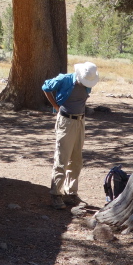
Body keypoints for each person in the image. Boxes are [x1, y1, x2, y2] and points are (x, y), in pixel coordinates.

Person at [41, 62, 99, 210]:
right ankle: (55, 194)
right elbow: (46, 87)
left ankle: (71, 193)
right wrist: (55, 107)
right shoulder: (64, 79)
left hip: (80, 121)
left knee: (76, 159)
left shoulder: (88, 83)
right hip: (66, 121)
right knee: (62, 158)